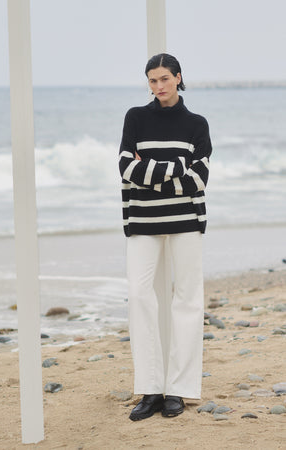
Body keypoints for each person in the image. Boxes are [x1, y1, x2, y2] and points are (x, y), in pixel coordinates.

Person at [118, 53, 212, 421]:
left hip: (187, 220)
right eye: (152, 80)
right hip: (142, 221)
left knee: (187, 300)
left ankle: (180, 389)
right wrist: (175, 169)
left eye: (164, 79)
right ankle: (151, 388)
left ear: (178, 78)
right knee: (140, 296)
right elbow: (126, 168)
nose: (158, 86)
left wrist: (150, 170)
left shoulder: (196, 124)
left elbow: (199, 177)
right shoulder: (135, 117)